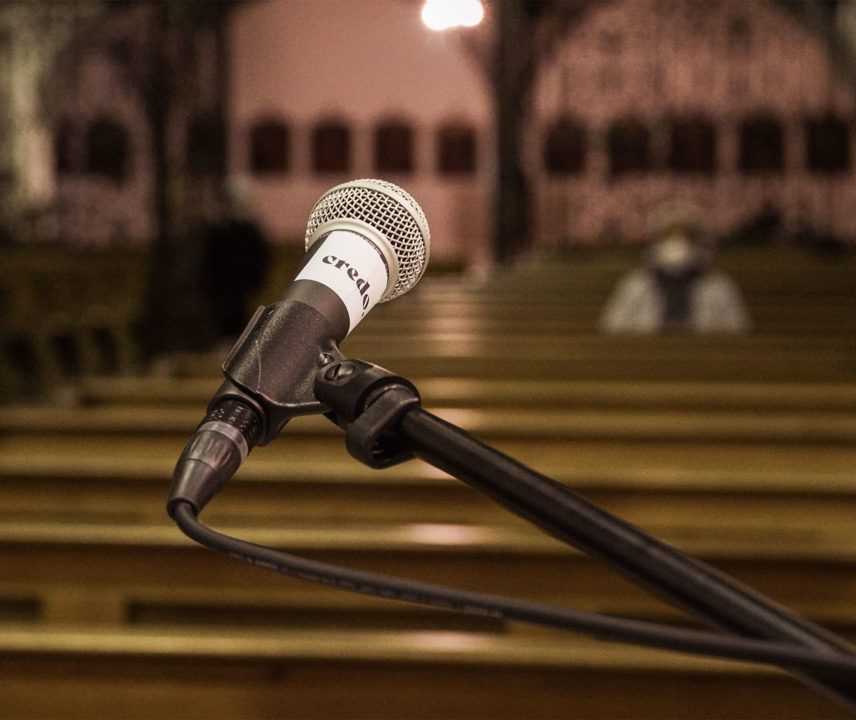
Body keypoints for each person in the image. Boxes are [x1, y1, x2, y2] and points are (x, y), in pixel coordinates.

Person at [599, 201, 751, 334]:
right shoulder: (635, 286)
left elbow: (738, 331)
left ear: (698, 241)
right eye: (670, 234)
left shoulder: (719, 288)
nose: (678, 241)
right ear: (657, 240)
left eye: (686, 235)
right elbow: (612, 329)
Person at [201, 177, 270, 345]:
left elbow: (260, 258)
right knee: (225, 324)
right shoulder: (219, 229)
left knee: (243, 321)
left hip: (242, 288)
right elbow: (211, 259)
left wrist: (256, 281)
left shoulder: (250, 230)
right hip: (223, 288)